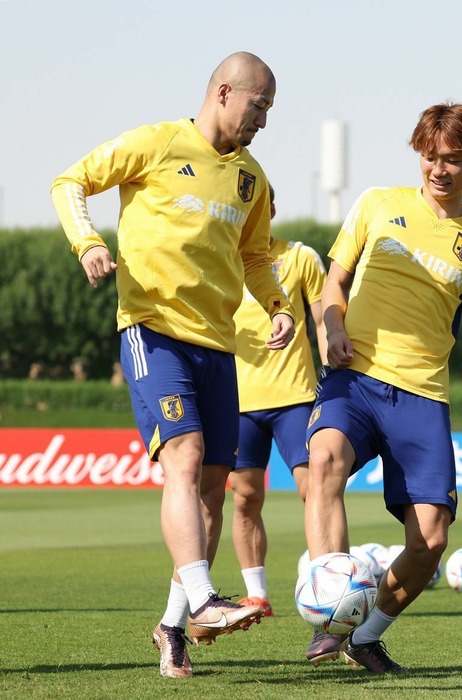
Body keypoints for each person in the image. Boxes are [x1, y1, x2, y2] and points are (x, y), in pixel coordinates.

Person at [50, 51, 295, 679]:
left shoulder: (251, 179)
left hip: (219, 346)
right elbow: (69, 181)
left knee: (214, 489)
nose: (264, 120)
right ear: (223, 92)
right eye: (258, 105)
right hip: (153, 331)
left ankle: (173, 625)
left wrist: (276, 306)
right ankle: (207, 599)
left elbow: (256, 257)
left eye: (270, 109)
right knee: (183, 457)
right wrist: (88, 242)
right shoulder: (157, 142)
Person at [303, 102, 462, 673]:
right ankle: (330, 613)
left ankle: (365, 636)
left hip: (422, 397)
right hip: (356, 378)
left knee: (432, 541)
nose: (439, 169)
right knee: (324, 461)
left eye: (454, 159)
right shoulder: (377, 204)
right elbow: (334, 282)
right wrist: (333, 326)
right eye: (430, 156)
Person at [229, 184, 327, 616]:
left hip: (296, 397)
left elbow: (324, 320)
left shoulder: (300, 257)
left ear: (270, 209)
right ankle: (257, 595)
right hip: (238, 401)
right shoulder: (220, 260)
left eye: (259, 206)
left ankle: (326, 583)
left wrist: (334, 375)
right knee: (245, 497)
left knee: (316, 489)